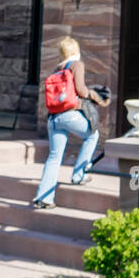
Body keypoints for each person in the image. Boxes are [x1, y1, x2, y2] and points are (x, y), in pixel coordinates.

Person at [32, 37, 110, 208]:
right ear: (76, 51)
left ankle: (44, 197)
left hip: (53, 118)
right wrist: (95, 95)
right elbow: (81, 91)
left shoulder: (56, 69)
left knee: (54, 156)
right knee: (92, 135)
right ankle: (79, 175)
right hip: (69, 114)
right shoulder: (77, 65)